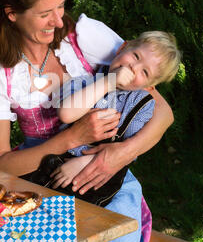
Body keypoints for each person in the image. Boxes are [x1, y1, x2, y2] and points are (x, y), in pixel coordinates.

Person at [0, 0, 175, 242]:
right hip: (44, 179)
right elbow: (0, 163)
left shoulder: (85, 36)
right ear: (12, 13)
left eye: (61, 6)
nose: (57, 21)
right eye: (44, 14)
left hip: (106, 175)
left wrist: (120, 153)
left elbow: (163, 111)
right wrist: (72, 138)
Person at [46, 31, 181, 197]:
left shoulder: (141, 106)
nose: (134, 67)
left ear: (149, 87)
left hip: (102, 180)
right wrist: (109, 82)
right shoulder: (83, 83)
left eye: (145, 72)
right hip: (59, 167)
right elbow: (66, 114)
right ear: (123, 48)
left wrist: (87, 161)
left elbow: (128, 151)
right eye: (136, 56)